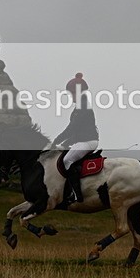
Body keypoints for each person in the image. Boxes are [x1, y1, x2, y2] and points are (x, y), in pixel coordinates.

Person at [53, 73, 99, 203]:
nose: (70, 96)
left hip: (87, 141)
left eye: (71, 93)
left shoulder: (83, 106)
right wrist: (61, 141)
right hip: (82, 140)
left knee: (67, 161)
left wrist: (59, 140)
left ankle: (77, 195)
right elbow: (73, 129)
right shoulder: (80, 105)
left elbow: (72, 128)